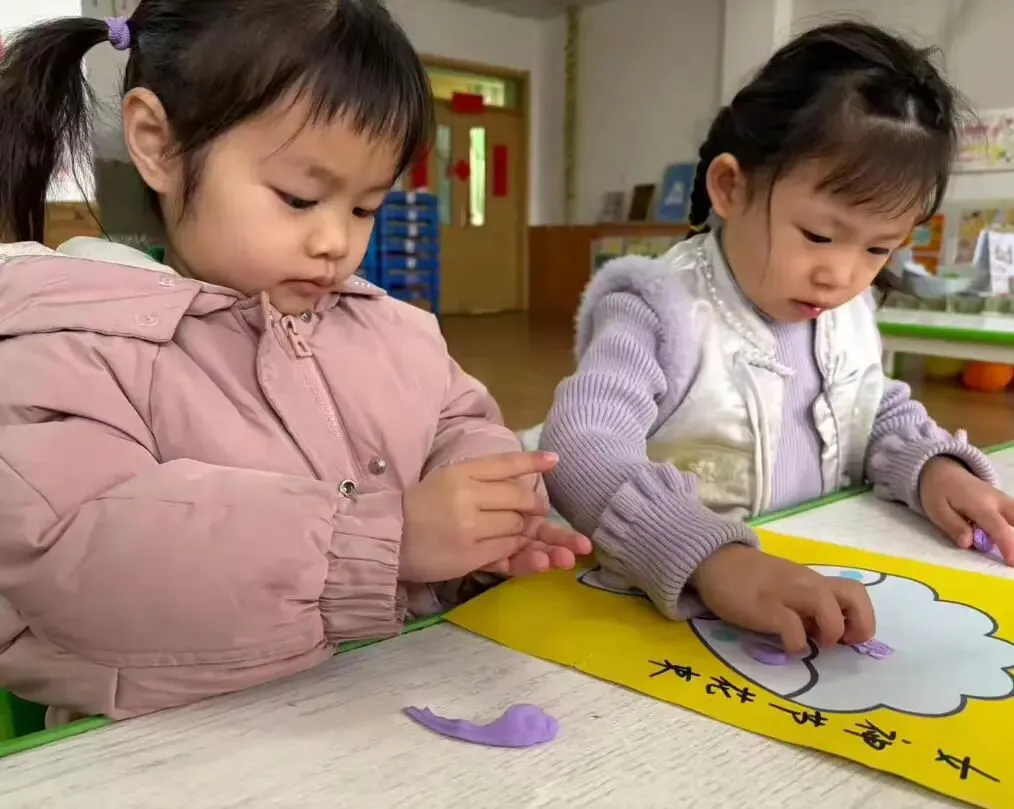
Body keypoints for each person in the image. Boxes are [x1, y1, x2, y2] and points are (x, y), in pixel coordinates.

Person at [0, 0, 590, 722]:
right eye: (300, 197)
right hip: (180, 742)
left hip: (380, 709)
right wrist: (386, 543)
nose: (336, 242)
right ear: (158, 144)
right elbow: (74, 559)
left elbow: (455, 419)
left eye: (365, 208)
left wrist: (485, 511)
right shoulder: (73, 340)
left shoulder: (388, 328)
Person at [538, 21, 1014, 656]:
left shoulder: (845, 311)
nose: (841, 275)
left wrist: (937, 471)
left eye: (878, 248)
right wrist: (711, 558)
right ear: (731, 187)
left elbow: (872, 410)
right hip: (669, 610)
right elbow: (581, 446)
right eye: (819, 235)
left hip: (817, 582)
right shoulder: (657, 309)